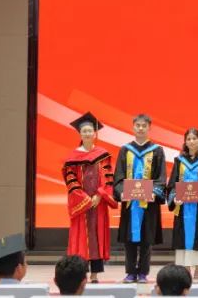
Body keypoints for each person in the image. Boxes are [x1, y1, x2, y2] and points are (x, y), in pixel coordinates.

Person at [63, 112, 118, 283]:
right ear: (80, 134)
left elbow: (108, 177)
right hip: (82, 204)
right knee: (81, 239)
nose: (87, 133)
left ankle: (94, 274)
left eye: (90, 131)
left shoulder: (103, 154)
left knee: (96, 237)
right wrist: (85, 198)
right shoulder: (72, 157)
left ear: (95, 133)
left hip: (98, 204)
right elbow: (71, 180)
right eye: (84, 131)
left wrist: (100, 195)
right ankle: (81, 274)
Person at [114, 113, 166, 283]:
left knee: (146, 240)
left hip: (148, 203)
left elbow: (161, 177)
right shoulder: (125, 150)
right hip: (130, 203)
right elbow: (118, 176)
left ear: (149, 128)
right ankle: (130, 272)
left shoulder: (157, 151)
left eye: (144, 126)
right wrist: (121, 192)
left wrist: (154, 192)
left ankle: (143, 273)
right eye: (138, 125)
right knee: (129, 240)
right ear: (133, 127)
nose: (141, 128)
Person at [166, 127, 198, 282]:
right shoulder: (179, 161)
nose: (191, 141)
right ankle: (186, 270)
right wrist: (175, 198)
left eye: (194, 138)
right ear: (185, 142)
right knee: (184, 238)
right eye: (188, 139)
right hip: (184, 207)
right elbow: (173, 183)